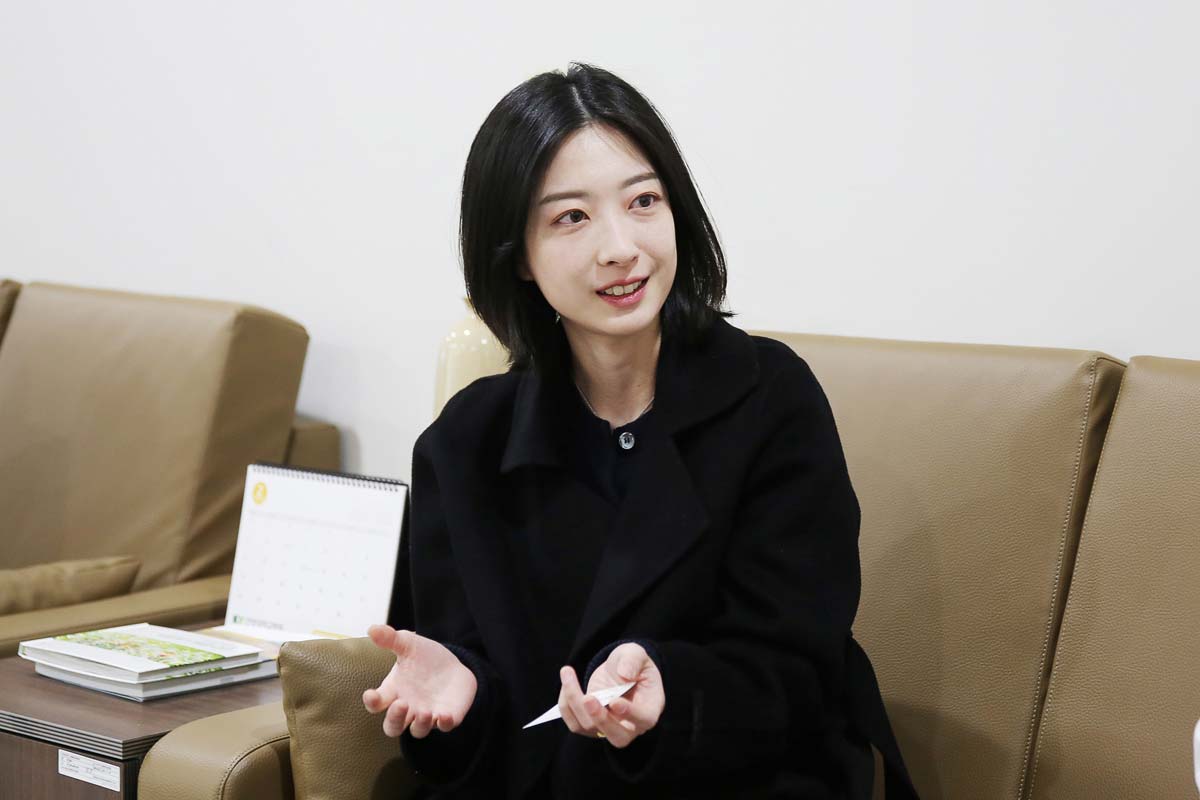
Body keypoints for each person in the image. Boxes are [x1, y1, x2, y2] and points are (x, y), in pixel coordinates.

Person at [362, 63, 917, 799]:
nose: (620, 247)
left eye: (643, 201)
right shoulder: (463, 443)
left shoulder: (771, 398)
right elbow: (466, 684)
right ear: (518, 255)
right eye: (572, 217)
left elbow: (798, 669)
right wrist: (463, 697)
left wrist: (673, 695)